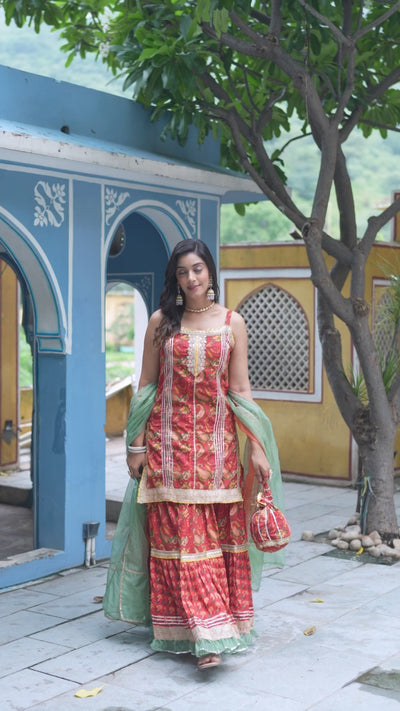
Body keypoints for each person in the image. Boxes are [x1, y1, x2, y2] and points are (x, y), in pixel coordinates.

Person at [103, 238, 284, 670]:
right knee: (177, 541)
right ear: (175, 278)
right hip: (167, 450)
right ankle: (196, 633)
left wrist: (256, 447)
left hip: (219, 451)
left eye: (198, 269)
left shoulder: (232, 323)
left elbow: (239, 391)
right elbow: (146, 385)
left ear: (210, 272)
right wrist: (136, 445)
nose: (191, 278)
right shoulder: (162, 321)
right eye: (183, 272)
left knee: (211, 543)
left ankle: (212, 633)